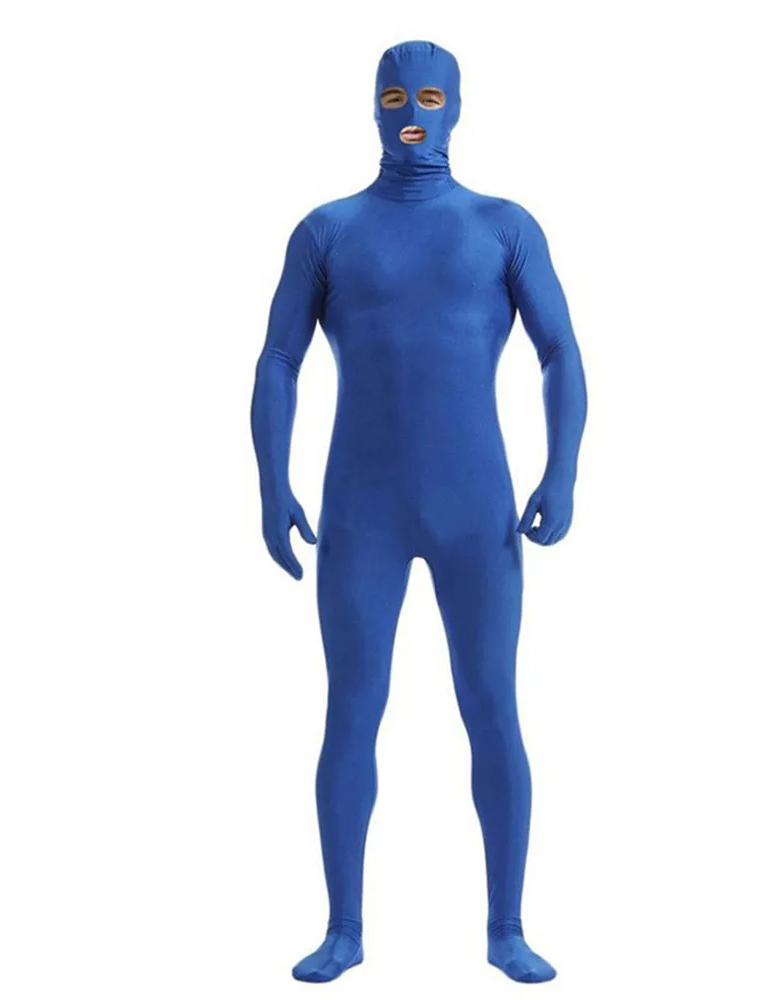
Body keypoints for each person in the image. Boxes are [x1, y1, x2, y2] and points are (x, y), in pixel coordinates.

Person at [251, 39, 587, 983]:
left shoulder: (502, 226)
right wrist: (270, 481)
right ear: (372, 106)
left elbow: (560, 351)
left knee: (492, 708)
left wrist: (563, 471)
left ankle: (506, 927)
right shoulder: (327, 231)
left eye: (430, 97)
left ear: (458, 108)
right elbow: (279, 359)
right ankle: (345, 929)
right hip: (361, 510)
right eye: (395, 97)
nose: (412, 113)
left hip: (475, 509)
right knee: (352, 710)